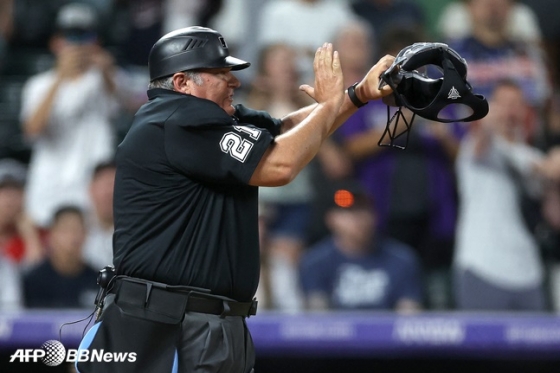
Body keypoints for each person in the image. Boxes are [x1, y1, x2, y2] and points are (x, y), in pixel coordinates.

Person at [75, 26, 394, 373]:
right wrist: (331, 104)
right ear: (182, 82)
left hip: (205, 322)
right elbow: (280, 164)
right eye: (220, 73)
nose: (234, 81)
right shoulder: (174, 120)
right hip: (166, 327)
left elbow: (285, 133)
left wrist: (358, 94)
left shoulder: (209, 121)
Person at [336, 26, 463, 309]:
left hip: (435, 214)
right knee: (389, 294)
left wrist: (441, 132)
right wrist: (405, 119)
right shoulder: (370, 95)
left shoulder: (441, 98)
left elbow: (463, 156)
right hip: (384, 210)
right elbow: (351, 149)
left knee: (438, 297)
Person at [20, 2, 121, 228]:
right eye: (70, 38)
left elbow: (129, 105)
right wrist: (60, 78)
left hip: (92, 193)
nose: (77, 46)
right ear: (55, 43)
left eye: (83, 38)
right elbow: (31, 129)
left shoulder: (105, 77)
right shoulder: (38, 85)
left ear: (96, 43)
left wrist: (107, 71)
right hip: (49, 190)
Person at [453, 79, 549, 311]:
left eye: (516, 104)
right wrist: (485, 115)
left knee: (540, 347)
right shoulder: (475, 147)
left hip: (528, 272)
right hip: (482, 267)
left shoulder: (531, 155)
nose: (509, 110)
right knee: (481, 347)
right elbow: (482, 138)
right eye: (503, 103)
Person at [299, 180, 423, 312]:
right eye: (349, 212)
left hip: (385, 332)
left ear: (375, 216)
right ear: (331, 219)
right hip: (336, 332)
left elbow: (409, 316)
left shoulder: (402, 259)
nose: (358, 218)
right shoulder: (315, 261)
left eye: (364, 210)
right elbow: (317, 317)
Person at [22, 205, 98, 308]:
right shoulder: (33, 281)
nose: (72, 237)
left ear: (85, 234)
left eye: (77, 229)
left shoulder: (98, 280)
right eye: (65, 230)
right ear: (51, 234)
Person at [0, 158, 44, 266]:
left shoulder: (39, 235)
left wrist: (31, 238)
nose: (10, 200)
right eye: (4, 192)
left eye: (15, 192)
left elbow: (39, 276)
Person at [82, 161, 116, 271]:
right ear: (91, 189)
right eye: (104, 185)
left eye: (113, 185)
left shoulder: (137, 231)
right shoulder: (78, 227)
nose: (108, 193)